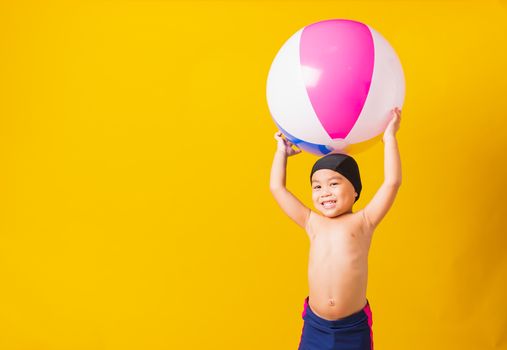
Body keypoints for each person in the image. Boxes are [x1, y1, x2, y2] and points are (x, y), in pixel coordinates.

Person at [269, 108, 402, 350]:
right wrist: (282, 153)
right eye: (317, 186)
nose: (325, 192)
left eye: (334, 183)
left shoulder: (364, 221)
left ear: (355, 191)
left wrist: (390, 137)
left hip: (352, 328)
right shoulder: (312, 222)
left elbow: (392, 182)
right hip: (315, 325)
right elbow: (278, 188)